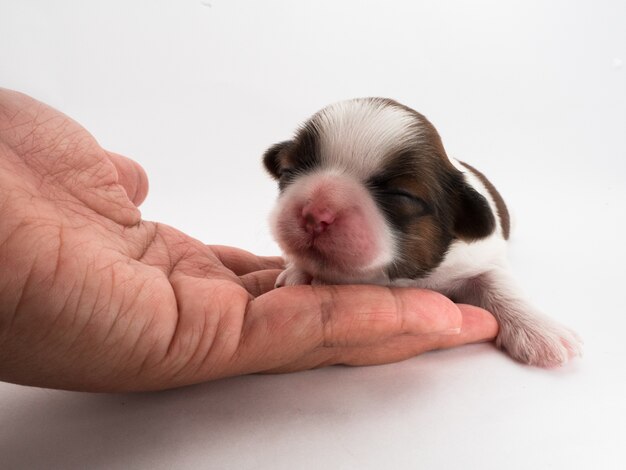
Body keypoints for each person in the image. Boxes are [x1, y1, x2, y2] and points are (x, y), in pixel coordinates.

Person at [0, 88, 498, 392]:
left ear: (460, 220)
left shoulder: (473, 242)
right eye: (295, 171)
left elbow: (490, 270)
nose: (317, 211)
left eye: (395, 196)